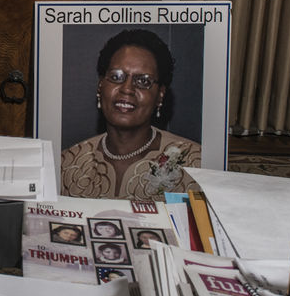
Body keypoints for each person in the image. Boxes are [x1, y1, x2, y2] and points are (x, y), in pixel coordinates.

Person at [62, 28, 202, 201]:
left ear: (160, 95)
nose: (127, 89)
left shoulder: (195, 164)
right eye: (116, 77)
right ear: (100, 86)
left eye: (143, 81)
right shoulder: (67, 165)